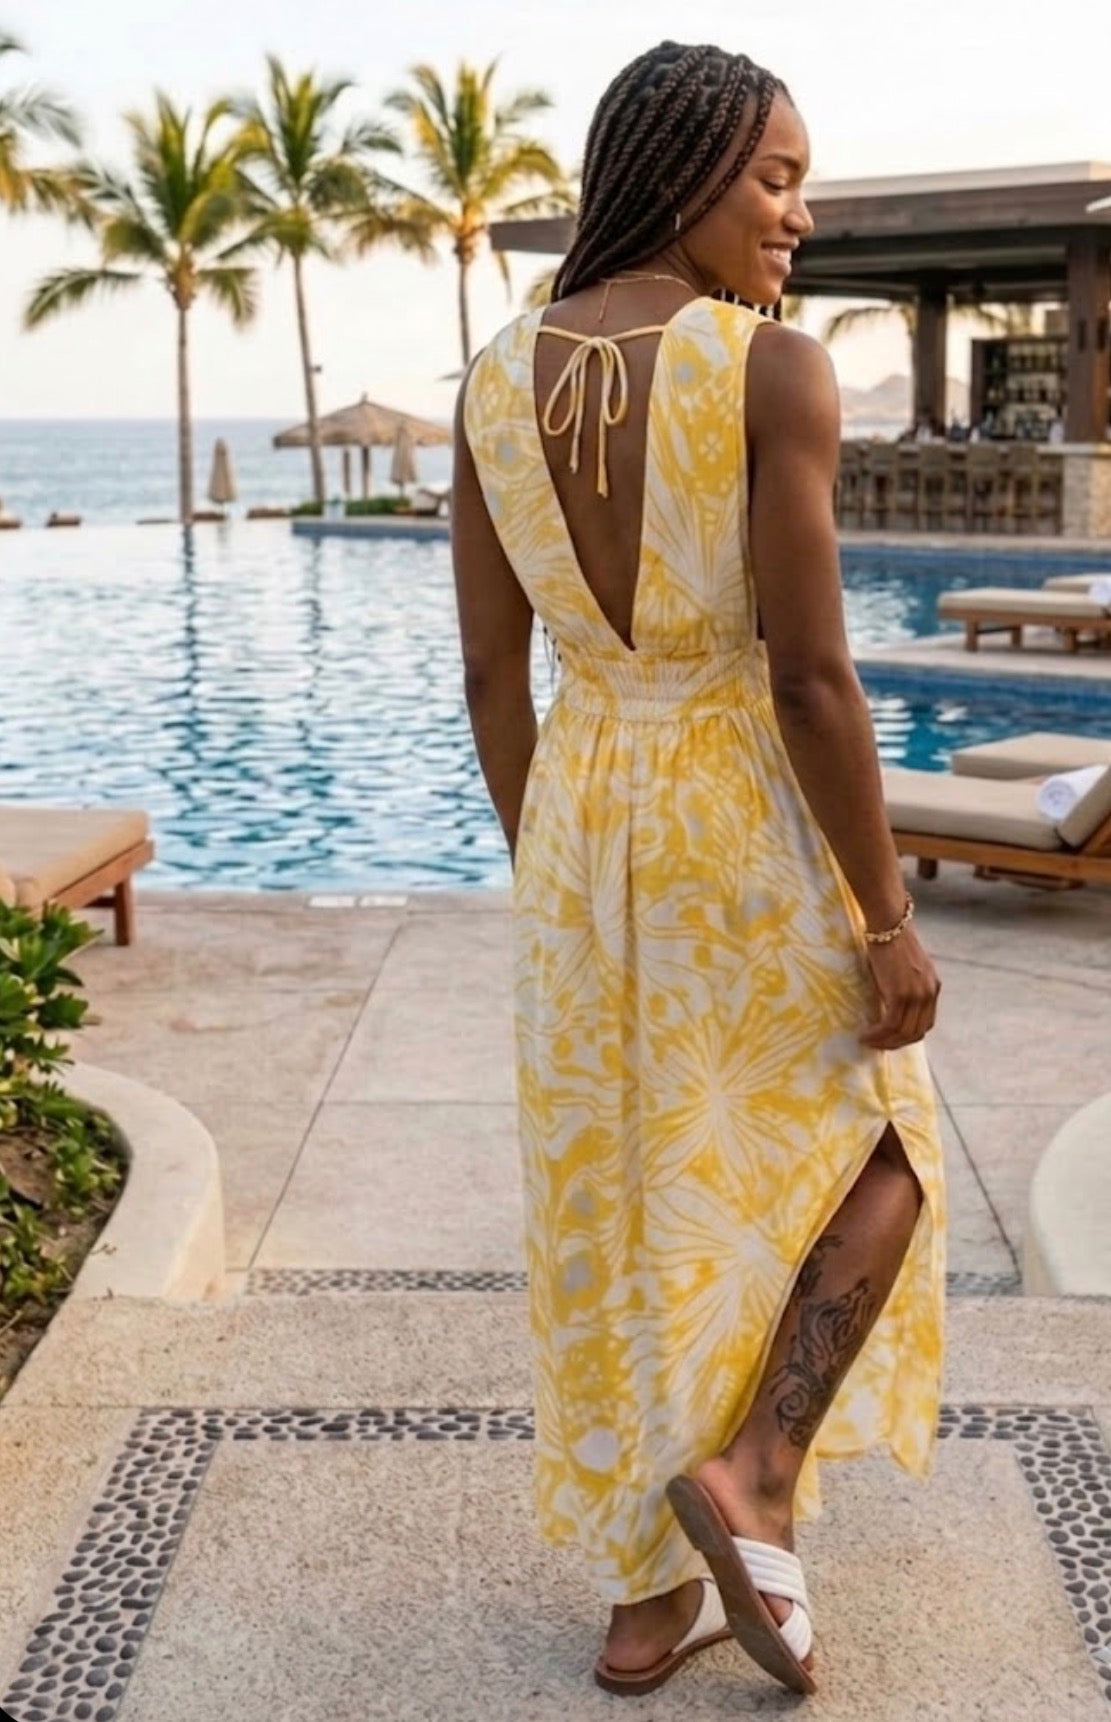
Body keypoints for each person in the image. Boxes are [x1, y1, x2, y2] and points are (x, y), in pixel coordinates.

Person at [451, 39, 944, 1702]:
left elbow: (492, 678)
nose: (801, 214)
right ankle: (757, 1473)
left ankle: (644, 1602)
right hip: (739, 805)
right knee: (888, 1142)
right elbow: (812, 679)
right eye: (778, 178)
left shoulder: (490, 380)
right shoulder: (770, 370)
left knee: (621, 1198)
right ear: (684, 172)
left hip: (580, 821)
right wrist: (886, 916)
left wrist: (558, 874)